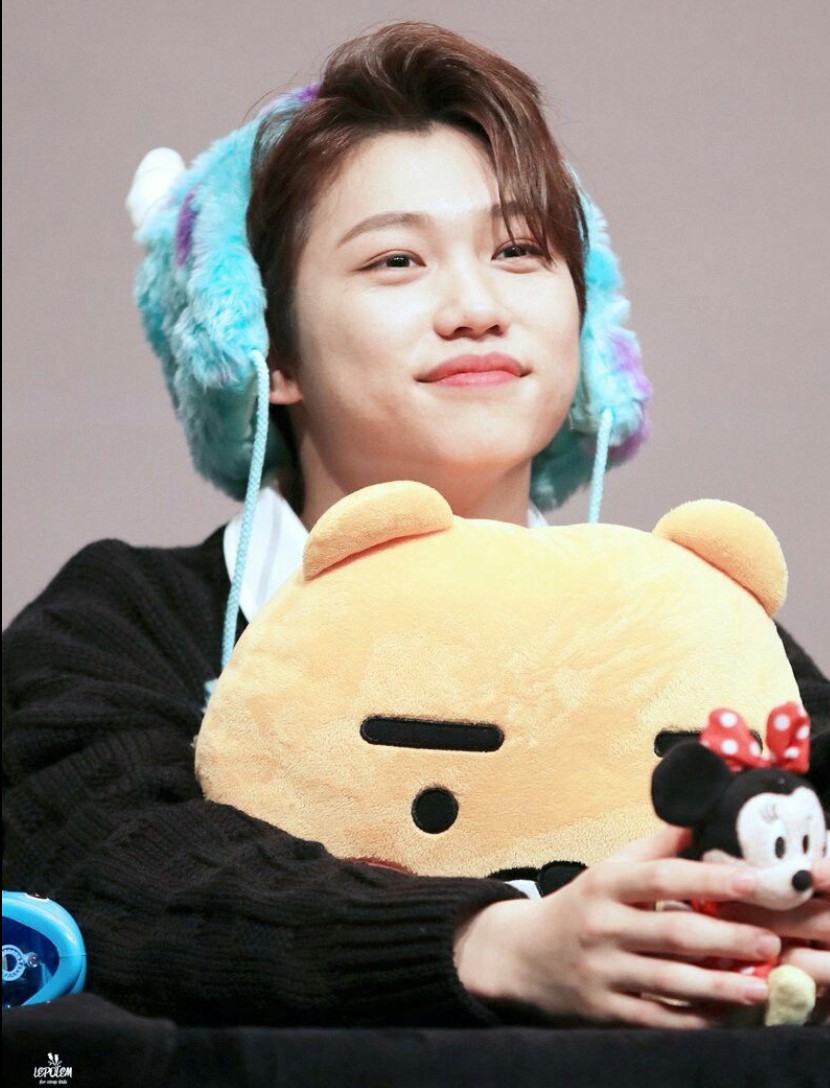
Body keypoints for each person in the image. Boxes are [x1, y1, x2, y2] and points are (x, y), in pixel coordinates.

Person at [3, 21, 828, 1030]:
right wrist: (494, 940)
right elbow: (112, 863)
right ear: (266, 349)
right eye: (396, 260)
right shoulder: (125, 623)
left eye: (519, 251)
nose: (476, 306)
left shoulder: (698, 628)